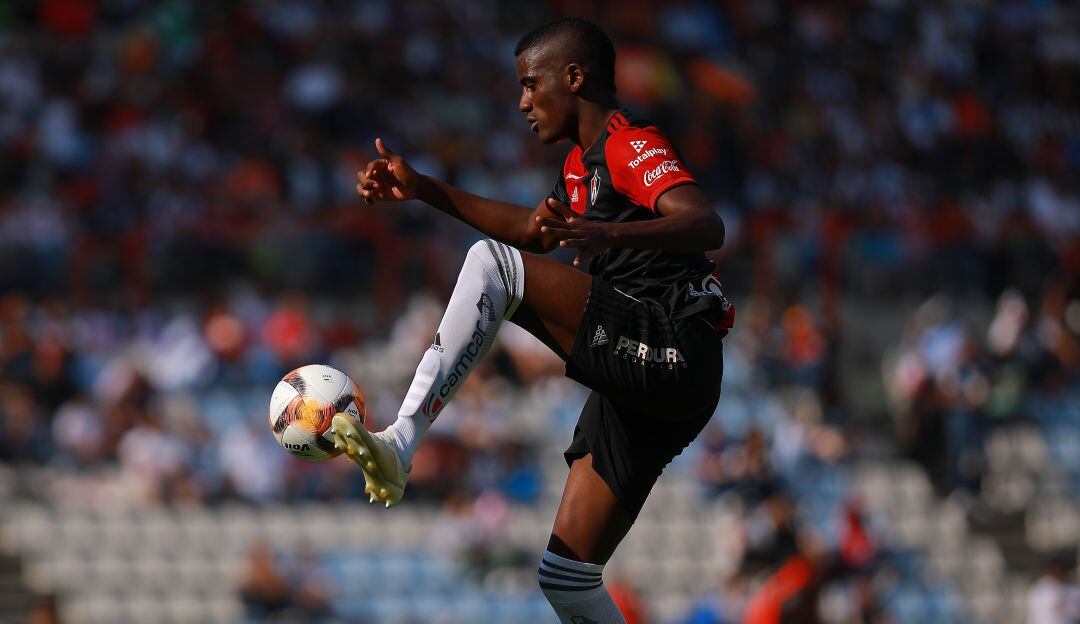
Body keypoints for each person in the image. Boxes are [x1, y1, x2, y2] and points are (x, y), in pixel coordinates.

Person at [332, 17, 732, 623]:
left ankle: (403, 440)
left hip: (672, 344)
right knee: (567, 578)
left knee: (493, 267)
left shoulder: (628, 145)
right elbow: (529, 231)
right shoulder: (578, 168)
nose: (522, 102)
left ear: (573, 78)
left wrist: (610, 231)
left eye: (529, 84)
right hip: (640, 384)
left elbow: (706, 224)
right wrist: (423, 190)